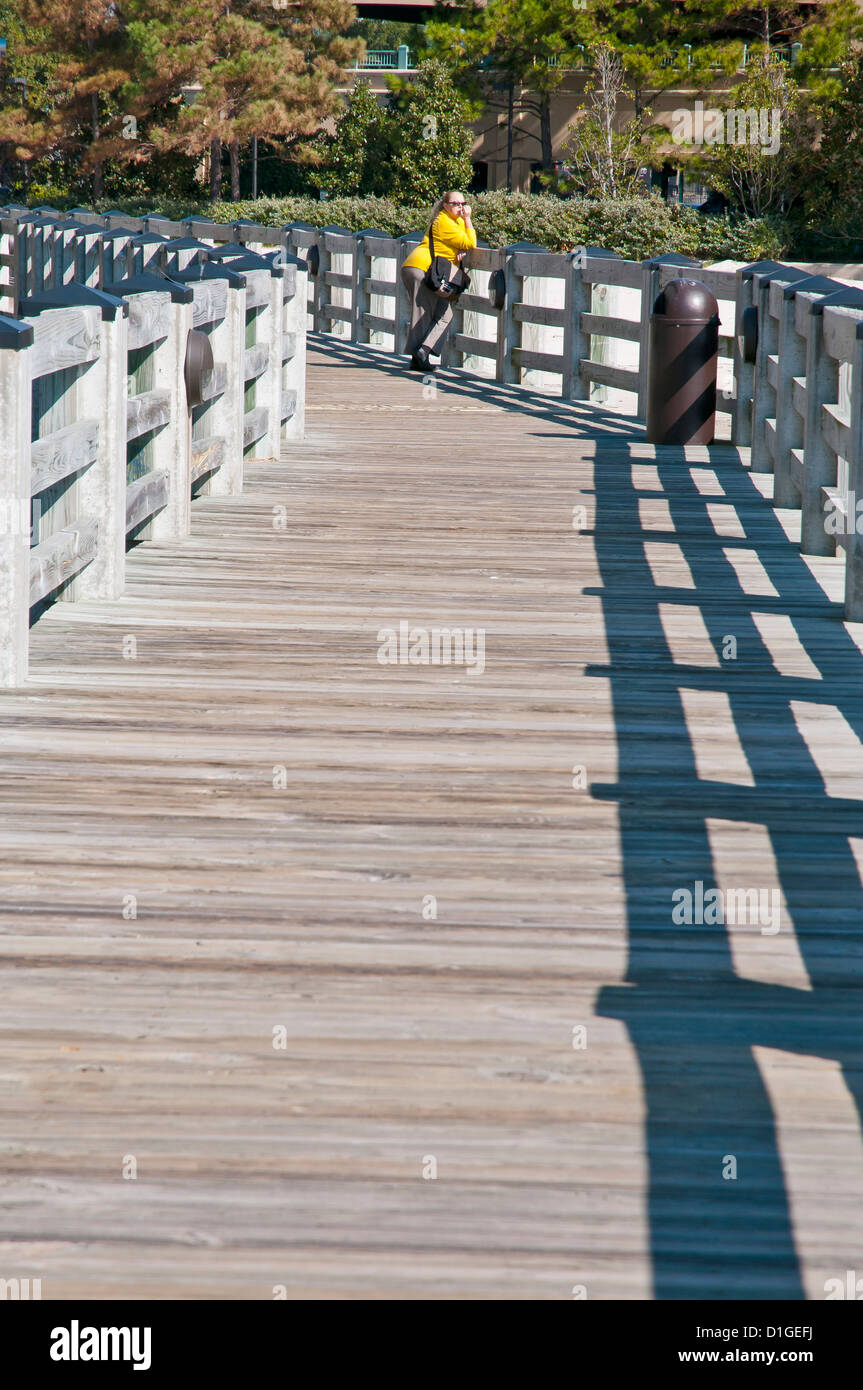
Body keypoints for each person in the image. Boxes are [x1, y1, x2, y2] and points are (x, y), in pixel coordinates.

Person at [401, 191, 477, 373]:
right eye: (455, 203)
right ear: (444, 206)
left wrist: (460, 248)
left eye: (462, 203)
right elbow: (471, 242)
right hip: (422, 269)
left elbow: (462, 243)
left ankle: (421, 353)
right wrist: (469, 219)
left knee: (443, 314)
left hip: (423, 269)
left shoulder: (453, 221)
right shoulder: (443, 221)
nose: (460, 206)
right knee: (425, 314)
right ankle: (420, 356)